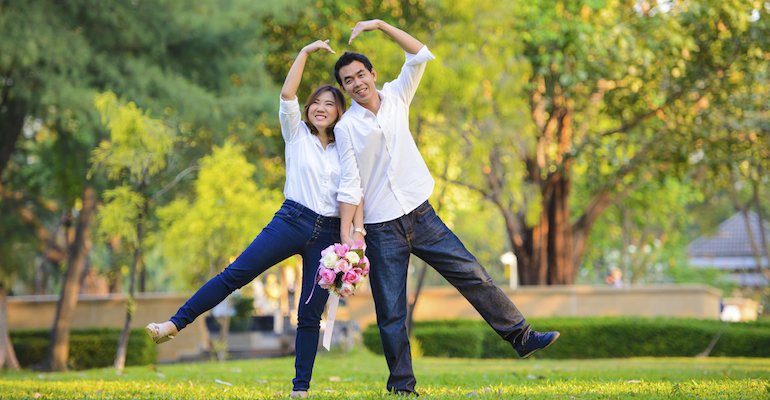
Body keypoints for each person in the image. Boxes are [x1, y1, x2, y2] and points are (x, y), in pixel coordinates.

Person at [332, 20, 560, 395]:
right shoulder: (346, 128)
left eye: (361, 74)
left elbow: (419, 53)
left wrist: (378, 24)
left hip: (421, 215)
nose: (357, 84)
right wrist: (349, 238)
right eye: (348, 81)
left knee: (472, 273)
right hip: (381, 229)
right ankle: (402, 386)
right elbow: (350, 184)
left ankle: (522, 337)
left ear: (373, 74)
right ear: (344, 88)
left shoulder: (397, 96)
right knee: (391, 312)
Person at [145, 39, 365, 399]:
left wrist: (353, 239)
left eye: (330, 104)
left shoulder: (347, 149)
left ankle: (301, 389)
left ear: (340, 113)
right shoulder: (296, 135)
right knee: (236, 274)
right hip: (291, 220)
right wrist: (305, 53)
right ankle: (174, 323)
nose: (322, 109)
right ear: (308, 109)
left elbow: (355, 193)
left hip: (327, 235)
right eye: (317, 103)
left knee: (309, 314)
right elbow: (287, 95)